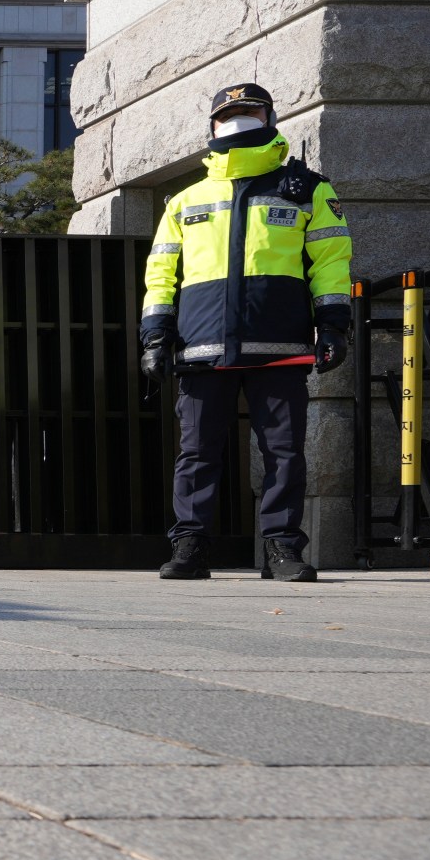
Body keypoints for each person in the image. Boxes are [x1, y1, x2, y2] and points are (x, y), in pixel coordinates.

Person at [140, 82, 352, 583]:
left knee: (283, 451)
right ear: (212, 126)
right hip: (201, 345)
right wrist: (154, 337)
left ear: (270, 117)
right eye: (230, 114)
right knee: (196, 452)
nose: (239, 121)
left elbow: (332, 262)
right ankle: (190, 546)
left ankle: (281, 549)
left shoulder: (308, 189)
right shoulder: (185, 200)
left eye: (250, 111)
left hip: (278, 343)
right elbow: (161, 273)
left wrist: (334, 325)